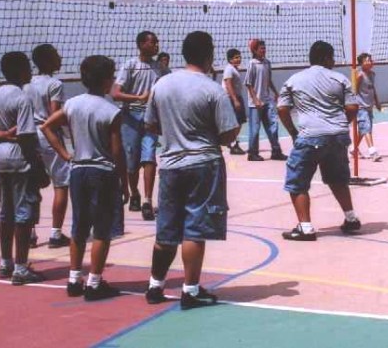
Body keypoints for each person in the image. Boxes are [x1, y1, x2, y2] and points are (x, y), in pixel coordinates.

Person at [144, 31, 239, 310]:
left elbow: (150, 124)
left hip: (171, 164)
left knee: (166, 230)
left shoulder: (162, 84)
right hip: (203, 163)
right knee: (194, 229)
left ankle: (155, 285)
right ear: (209, 55)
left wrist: (174, 133)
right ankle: (190, 290)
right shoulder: (212, 89)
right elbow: (228, 135)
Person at [41, 55, 129, 301]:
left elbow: (46, 126)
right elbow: (116, 151)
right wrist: (124, 181)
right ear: (105, 80)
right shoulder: (111, 111)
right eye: (112, 76)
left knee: (79, 227)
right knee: (102, 230)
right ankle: (94, 282)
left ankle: (73, 279)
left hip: (78, 170)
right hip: (102, 172)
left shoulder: (72, 104)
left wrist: (64, 153)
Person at [277, 41, 362, 241]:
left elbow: (282, 108)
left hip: (310, 136)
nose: (333, 61)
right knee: (337, 179)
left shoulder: (294, 80)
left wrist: (292, 132)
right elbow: (352, 108)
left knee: (297, 182)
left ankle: (305, 227)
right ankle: (351, 218)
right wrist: (339, 126)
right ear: (325, 58)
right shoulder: (340, 79)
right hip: (338, 136)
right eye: (332, 57)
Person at [0, 52, 47, 285]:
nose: (31, 71)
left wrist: (3, 134)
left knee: (6, 213)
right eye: (28, 67)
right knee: (24, 214)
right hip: (20, 161)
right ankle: (20, 268)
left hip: (1, 160)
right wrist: (39, 167)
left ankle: (5, 263)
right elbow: (27, 136)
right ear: (19, 71)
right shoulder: (22, 98)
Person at [24, 44, 71, 248]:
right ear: (49, 60)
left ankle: (30, 233)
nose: (60, 58)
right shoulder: (55, 84)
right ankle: (55, 233)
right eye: (56, 56)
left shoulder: (26, 84)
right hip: (48, 135)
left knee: (31, 184)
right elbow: (54, 116)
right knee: (61, 184)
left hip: (28, 135)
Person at [111, 30, 160, 222]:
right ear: (141, 45)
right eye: (152, 42)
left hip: (150, 117)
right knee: (131, 162)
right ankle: (134, 193)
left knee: (149, 157)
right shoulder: (130, 65)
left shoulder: (159, 68)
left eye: (157, 42)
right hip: (130, 116)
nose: (156, 45)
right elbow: (115, 93)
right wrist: (138, 98)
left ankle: (147, 200)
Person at [245, 38, 287, 161]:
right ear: (254, 50)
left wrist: (275, 92)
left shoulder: (267, 63)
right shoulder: (252, 64)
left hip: (267, 100)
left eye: (264, 48)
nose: (264, 50)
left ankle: (276, 151)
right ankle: (252, 153)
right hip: (255, 103)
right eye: (261, 48)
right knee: (255, 129)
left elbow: (269, 80)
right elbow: (248, 83)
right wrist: (255, 99)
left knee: (273, 125)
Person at [353, 52, 383, 162]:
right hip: (361, 107)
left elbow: (373, 89)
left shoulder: (372, 74)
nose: (370, 62)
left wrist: (377, 102)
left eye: (371, 60)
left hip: (369, 106)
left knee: (363, 130)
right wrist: (352, 105)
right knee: (367, 129)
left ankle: (354, 149)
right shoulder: (359, 75)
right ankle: (372, 152)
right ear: (361, 63)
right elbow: (354, 91)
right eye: (367, 60)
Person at [221, 48, 248, 155]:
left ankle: (232, 143)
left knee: (239, 122)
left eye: (239, 57)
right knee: (236, 122)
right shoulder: (229, 69)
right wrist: (235, 100)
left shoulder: (234, 69)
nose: (238, 59)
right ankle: (232, 144)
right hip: (231, 98)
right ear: (230, 59)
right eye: (236, 57)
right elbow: (228, 84)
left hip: (236, 97)